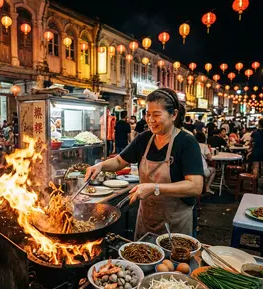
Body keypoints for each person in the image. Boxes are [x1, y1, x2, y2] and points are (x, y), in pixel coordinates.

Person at [85, 88, 203, 239]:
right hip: (146, 219)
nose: (150, 120)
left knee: (173, 262)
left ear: (173, 114)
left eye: (156, 115)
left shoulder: (186, 142)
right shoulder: (144, 139)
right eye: (147, 114)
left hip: (176, 223)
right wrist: (100, 166)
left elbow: (195, 186)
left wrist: (155, 188)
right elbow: (120, 161)